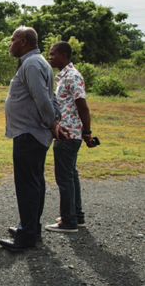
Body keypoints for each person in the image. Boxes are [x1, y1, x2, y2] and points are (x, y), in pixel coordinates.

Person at [0, 26, 68, 251]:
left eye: (13, 40)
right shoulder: (39, 63)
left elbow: (44, 100)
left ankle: (26, 236)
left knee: (28, 186)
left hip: (29, 133)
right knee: (35, 182)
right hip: (32, 132)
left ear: (24, 41)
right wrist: (54, 122)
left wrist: (52, 124)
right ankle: (30, 228)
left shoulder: (31, 64)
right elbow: (51, 96)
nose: (10, 44)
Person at [45, 41, 96, 233]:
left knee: (64, 178)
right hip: (69, 133)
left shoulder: (72, 76)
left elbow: (82, 105)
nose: (50, 57)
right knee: (71, 175)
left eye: (53, 54)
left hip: (67, 134)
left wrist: (88, 132)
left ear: (64, 56)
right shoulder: (63, 76)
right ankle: (77, 215)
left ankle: (68, 221)